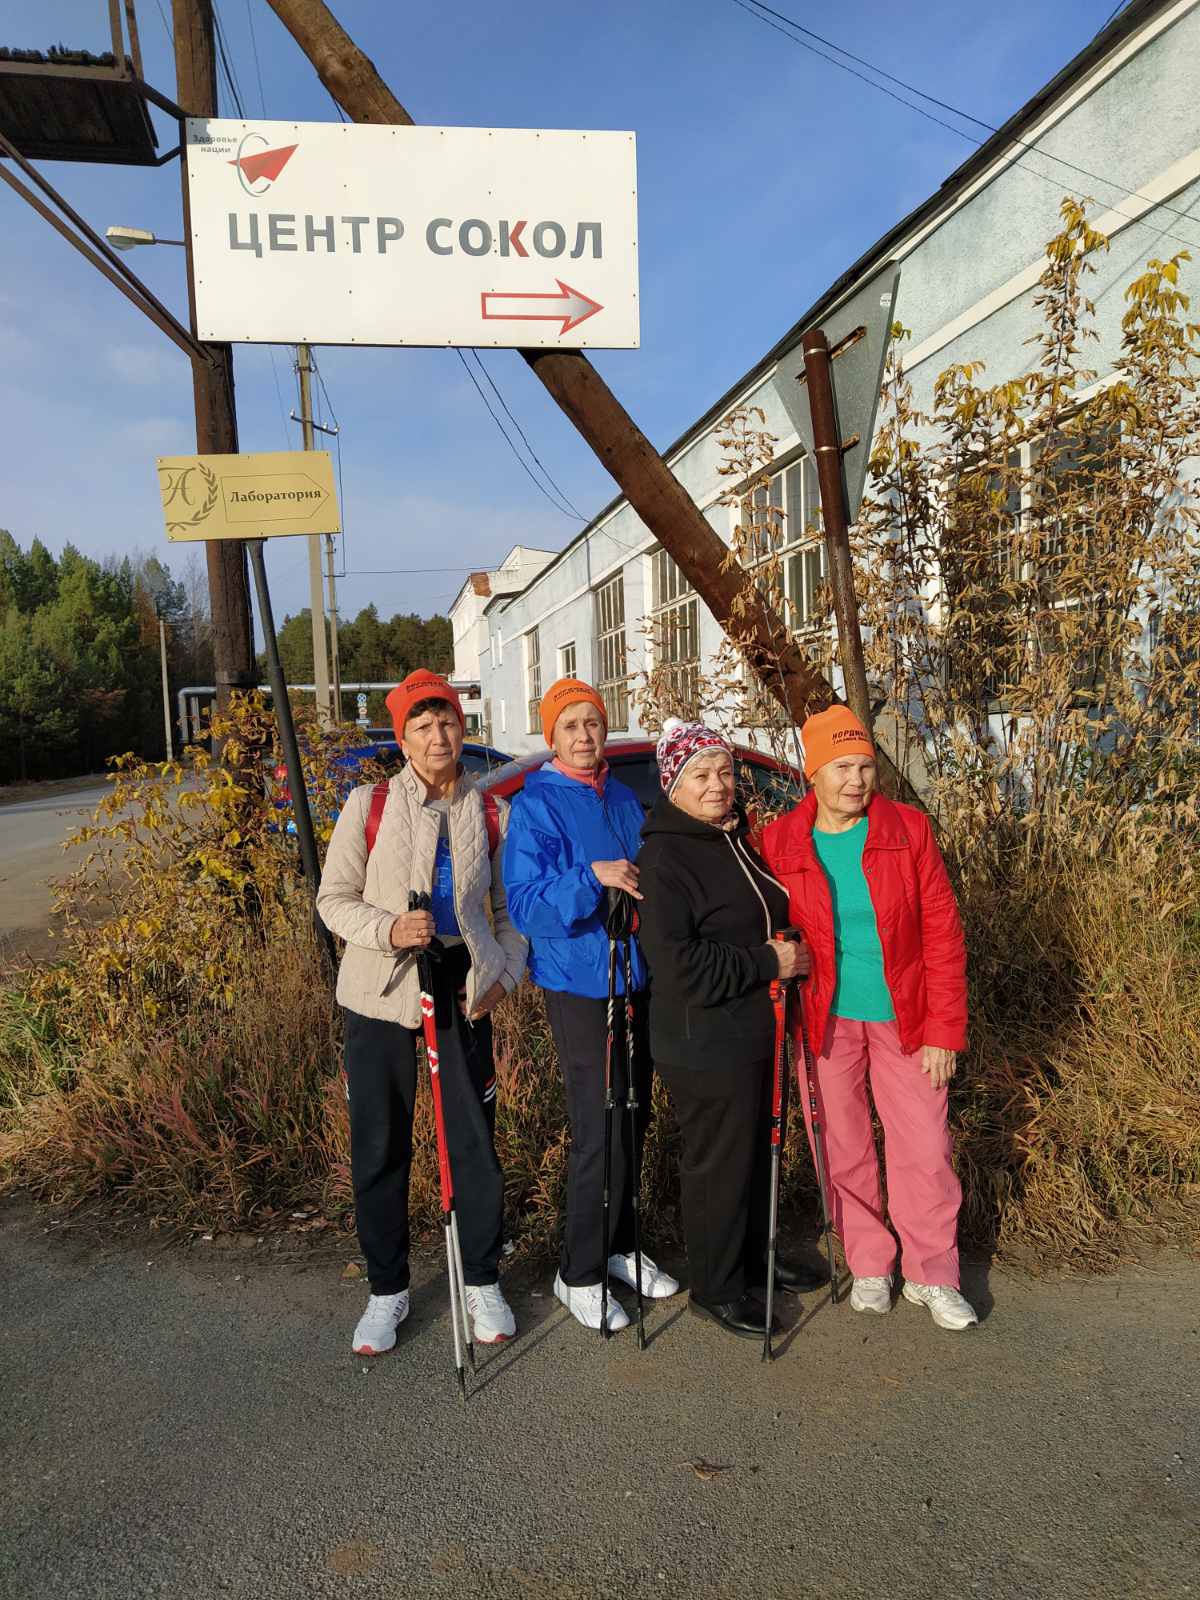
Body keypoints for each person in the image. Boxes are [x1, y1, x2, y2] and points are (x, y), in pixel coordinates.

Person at [317, 669, 528, 1357]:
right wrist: (387, 929)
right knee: (380, 1144)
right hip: (380, 990)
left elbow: (509, 914)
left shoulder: (491, 812)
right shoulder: (369, 804)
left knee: (472, 1141)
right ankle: (387, 1289)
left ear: (463, 729)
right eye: (423, 726)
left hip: (463, 987)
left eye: (447, 723)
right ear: (403, 739)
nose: (439, 736)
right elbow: (333, 898)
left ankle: (481, 1279)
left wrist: (504, 975)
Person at [760, 705, 978, 1331]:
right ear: (813, 772)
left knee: (926, 1146)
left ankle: (933, 1273)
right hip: (824, 1021)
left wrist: (944, 1030)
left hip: (906, 1019)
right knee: (843, 1144)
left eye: (864, 766)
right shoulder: (778, 841)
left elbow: (943, 934)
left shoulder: (908, 829)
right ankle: (870, 1262)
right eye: (842, 767)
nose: (856, 780)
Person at [636, 719, 828, 1340]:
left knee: (755, 1152)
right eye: (700, 774)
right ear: (673, 784)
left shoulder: (733, 836)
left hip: (753, 1028)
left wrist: (783, 946)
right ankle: (716, 1287)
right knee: (719, 1164)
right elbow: (679, 965)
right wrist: (768, 962)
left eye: (723, 771)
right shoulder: (665, 857)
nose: (716, 785)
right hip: (703, 1039)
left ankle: (756, 1257)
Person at [503, 677, 679, 1331]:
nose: (584, 735)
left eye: (593, 723)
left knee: (634, 1117)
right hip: (579, 984)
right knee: (597, 1127)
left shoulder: (624, 797)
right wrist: (592, 877)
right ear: (551, 734)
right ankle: (577, 1271)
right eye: (571, 725)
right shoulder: (536, 805)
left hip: (635, 978)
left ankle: (620, 1246)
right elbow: (526, 905)